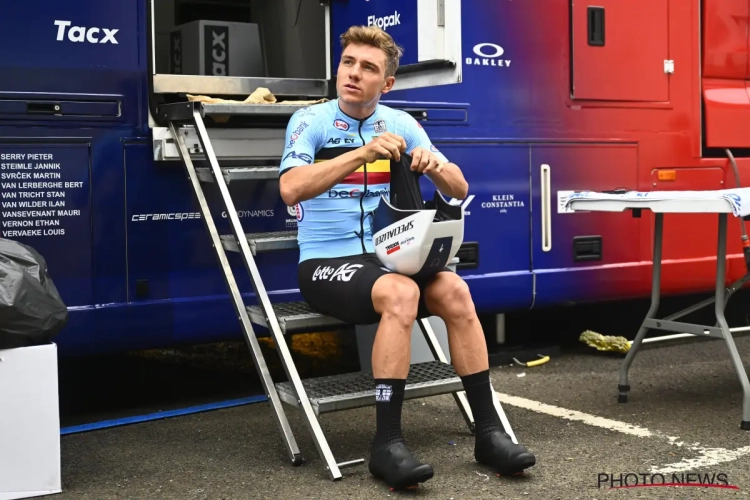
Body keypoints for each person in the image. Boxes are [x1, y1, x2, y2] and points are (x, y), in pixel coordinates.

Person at [278, 25, 536, 489]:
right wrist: (361, 153)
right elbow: (290, 188)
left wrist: (437, 167)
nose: (353, 73)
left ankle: (489, 432)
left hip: (390, 259)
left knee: (456, 290)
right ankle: (387, 443)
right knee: (399, 293)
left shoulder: (401, 123)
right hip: (324, 264)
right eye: (348, 63)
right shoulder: (308, 120)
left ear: (388, 83)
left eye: (368, 68)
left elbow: (460, 188)